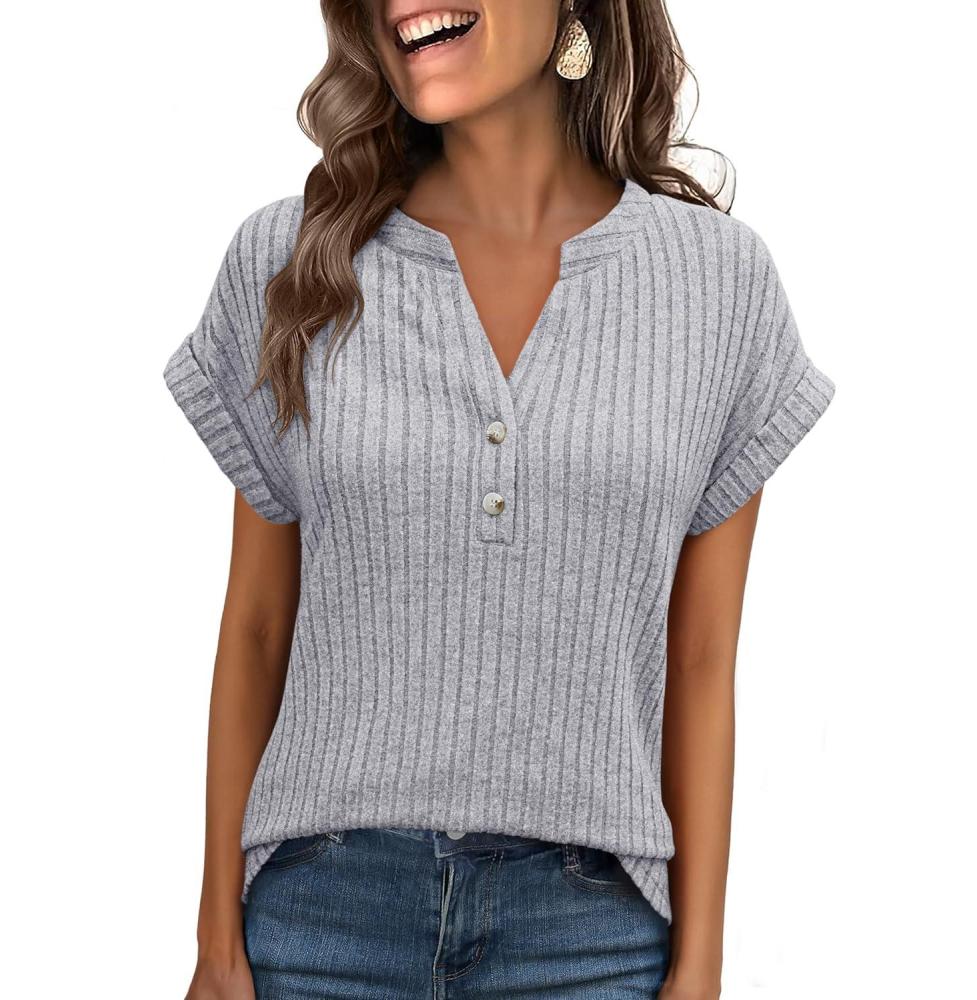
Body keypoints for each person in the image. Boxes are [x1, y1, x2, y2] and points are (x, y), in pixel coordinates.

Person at [162, 1, 836, 997]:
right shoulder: (293, 259)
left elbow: (700, 656)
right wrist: (218, 944)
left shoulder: (718, 285)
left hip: (592, 940)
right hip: (318, 926)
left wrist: (699, 966)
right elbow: (258, 626)